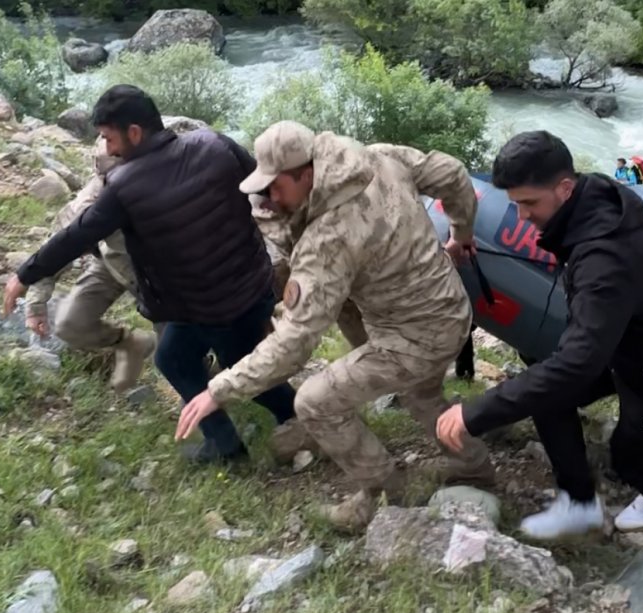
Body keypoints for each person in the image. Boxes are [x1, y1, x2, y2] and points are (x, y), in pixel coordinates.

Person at [173, 121, 495, 531]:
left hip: (415, 338)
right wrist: (461, 233)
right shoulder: (375, 157)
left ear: (307, 173)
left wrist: (218, 390)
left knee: (314, 402)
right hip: (450, 307)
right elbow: (451, 172)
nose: (271, 198)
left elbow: (295, 341)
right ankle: (473, 466)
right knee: (422, 394)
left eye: (277, 187)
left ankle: (383, 493)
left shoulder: (328, 239)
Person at [436, 130, 643, 539]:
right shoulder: (597, 196)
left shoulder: (604, 258)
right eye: (515, 204)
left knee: (629, 460)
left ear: (565, 188)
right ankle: (579, 504)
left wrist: (474, 414)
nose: (522, 216)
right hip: (624, 346)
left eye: (529, 203)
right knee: (549, 396)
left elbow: (577, 362)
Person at [2, 84, 297, 465]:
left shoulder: (125, 187)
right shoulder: (215, 144)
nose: (109, 150)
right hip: (251, 287)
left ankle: (299, 422)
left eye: (110, 138)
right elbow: (264, 187)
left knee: (247, 374)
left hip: (212, 306)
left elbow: (77, 235)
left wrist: (24, 275)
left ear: (135, 132)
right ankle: (226, 444)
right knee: (173, 356)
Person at [23, 136, 155, 393]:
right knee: (71, 324)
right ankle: (131, 343)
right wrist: (35, 305)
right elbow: (54, 248)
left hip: (165, 273)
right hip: (113, 264)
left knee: (176, 352)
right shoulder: (88, 203)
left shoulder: (169, 191)